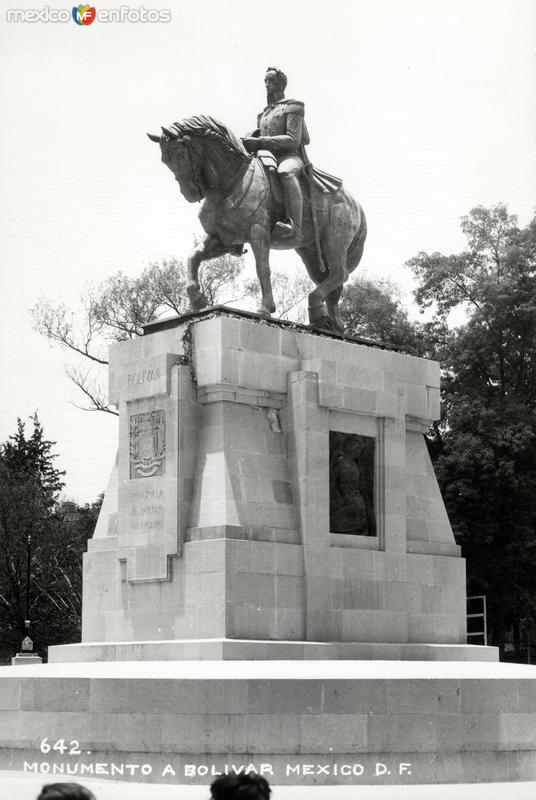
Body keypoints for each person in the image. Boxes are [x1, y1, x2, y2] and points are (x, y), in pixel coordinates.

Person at [242, 66, 309, 243]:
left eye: (271, 81)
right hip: (266, 155)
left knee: (285, 172)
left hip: (289, 156)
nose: (267, 84)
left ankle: (294, 226)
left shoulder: (293, 106)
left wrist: (261, 141)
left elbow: (294, 139)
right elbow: (263, 133)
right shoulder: (264, 112)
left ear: (280, 84)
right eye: (265, 81)